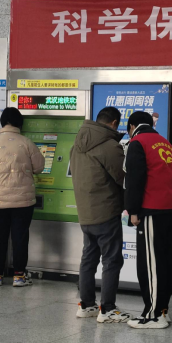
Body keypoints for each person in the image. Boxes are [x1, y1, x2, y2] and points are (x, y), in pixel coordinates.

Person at [70, 107, 134, 324]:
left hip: (85, 212)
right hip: (106, 211)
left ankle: (86, 305)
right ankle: (107, 309)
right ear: (114, 123)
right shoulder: (109, 146)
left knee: (88, 258)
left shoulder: (77, 144)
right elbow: (123, 177)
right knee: (111, 260)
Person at [124, 111, 172, 329]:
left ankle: (153, 315)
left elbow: (134, 179)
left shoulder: (137, 143)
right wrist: (171, 201)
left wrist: (133, 210)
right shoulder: (165, 143)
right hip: (169, 209)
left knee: (149, 264)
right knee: (164, 261)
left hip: (150, 210)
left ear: (132, 126)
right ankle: (163, 310)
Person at [0, 108, 45, 288]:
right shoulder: (26, 142)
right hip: (22, 201)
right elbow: (39, 167)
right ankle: (18, 276)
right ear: (19, 123)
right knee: (20, 237)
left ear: (2, 122)